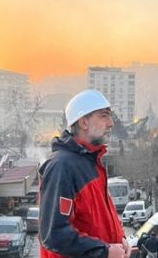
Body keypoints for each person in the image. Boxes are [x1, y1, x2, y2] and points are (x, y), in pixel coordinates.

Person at [39, 89, 130, 258]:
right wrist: (104, 251)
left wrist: (120, 238)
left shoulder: (91, 163)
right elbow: (54, 235)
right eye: (104, 116)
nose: (111, 123)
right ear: (83, 123)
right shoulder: (62, 167)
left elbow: (100, 216)